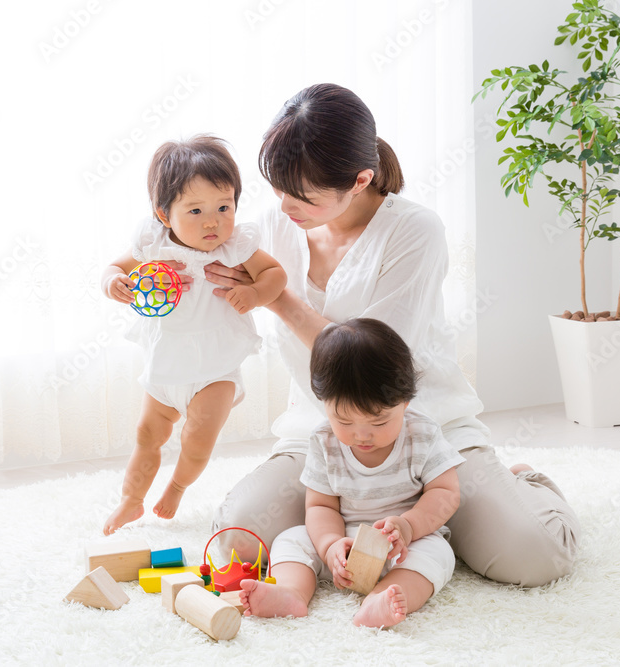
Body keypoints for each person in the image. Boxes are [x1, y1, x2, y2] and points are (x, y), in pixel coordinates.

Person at [208, 83, 580, 587]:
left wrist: (276, 297)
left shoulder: (415, 231)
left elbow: (369, 360)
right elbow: (188, 244)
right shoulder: (274, 225)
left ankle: (523, 484)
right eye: (276, 189)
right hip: (323, 433)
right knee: (234, 548)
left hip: (426, 431)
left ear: (361, 180)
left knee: (535, 558)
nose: (284, 205)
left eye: (303, 196)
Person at [101, 134, 286, 535]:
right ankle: (130, 502)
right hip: (167, 366)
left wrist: (254, 293)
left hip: (215, 369)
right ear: (164, 215)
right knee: (147, 435)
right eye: (196, 210)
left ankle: (177, 486)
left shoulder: (235, 246)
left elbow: (276, 275)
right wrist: (114, 282)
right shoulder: (152, 243)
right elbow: (114, 268)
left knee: (198, 438)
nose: (212, 221)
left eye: (224, 207)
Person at [240, 318, 463, 628]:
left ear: (405, 402)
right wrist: (330, 545)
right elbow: (320, 506)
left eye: (379, 422)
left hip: (405, 544)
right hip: (345, 540)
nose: (362, 436)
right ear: (324, 405)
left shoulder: (421, 434)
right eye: (344, 422)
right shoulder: (324, 441)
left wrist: (409, 527)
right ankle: (291, 592)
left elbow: (446, 492)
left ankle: (380, 599)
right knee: (290, 540)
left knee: (437, 554)